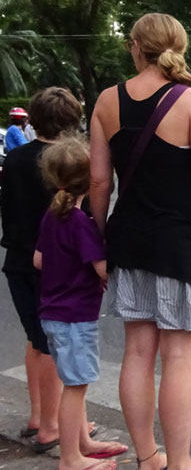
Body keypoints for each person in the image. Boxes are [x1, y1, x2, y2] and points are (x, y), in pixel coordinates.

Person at [90, 12, 191, 470]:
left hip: (129, 241)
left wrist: (99, 238)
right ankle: (181, 463)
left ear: (135, 47)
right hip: (183, 243)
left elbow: (98, 183)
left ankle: (148, 457)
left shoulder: (107, 101)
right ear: (179, 48)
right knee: (178, 356)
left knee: (136, 352)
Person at [1, 88, 90, 454]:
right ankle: (53, 427)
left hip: (18, 262)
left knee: (36, 340)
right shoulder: (71, 162)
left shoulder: (15, 159)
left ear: (32, 120)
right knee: (57, 345)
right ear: (72, 122)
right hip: (57, 267)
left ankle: (41, 416)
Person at [35, 137, 128, 470]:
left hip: (53, 314)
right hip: (76, 318)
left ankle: (83, 442)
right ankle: (70, 458)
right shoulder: (82, 224)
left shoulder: (52, 217)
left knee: (74, 381)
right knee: (75, 387)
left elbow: (38, 261)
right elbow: (101, 268)